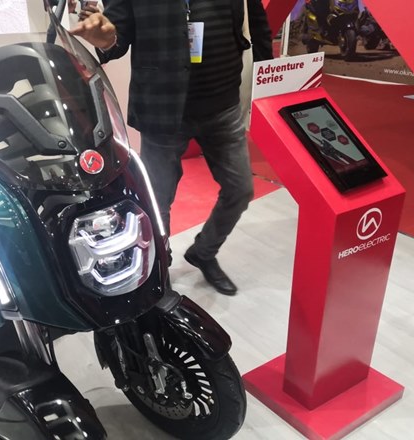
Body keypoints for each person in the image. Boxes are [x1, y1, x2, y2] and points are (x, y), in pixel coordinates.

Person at [71, 0, 273, 295]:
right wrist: (107, 40)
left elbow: (257, 23)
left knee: (240, 189)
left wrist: (269, 80)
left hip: (223, 103)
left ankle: (203, 252)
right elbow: (116, 37)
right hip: (162, 107)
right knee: (158, 201)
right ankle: (159, 268)